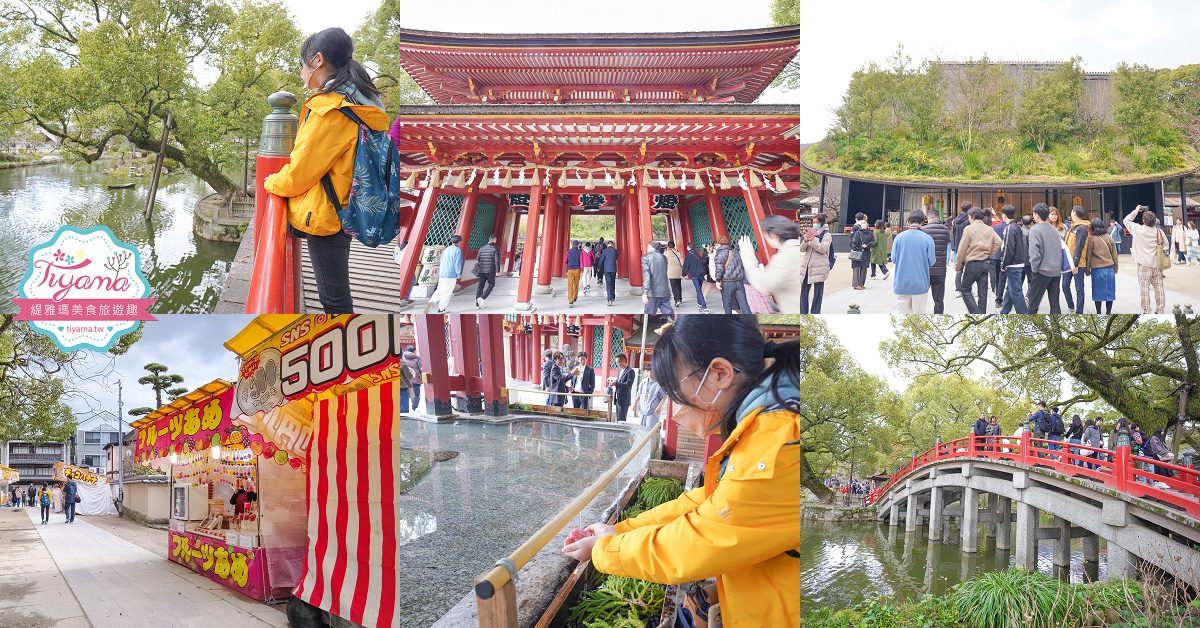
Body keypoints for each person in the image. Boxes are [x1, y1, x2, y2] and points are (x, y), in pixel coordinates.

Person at [562, 315, 802, 627]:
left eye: (676, 396)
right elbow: (708, 501)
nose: (672, 411)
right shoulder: (767, 424)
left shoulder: (778, 442)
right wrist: (620, 531)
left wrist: (604, 549)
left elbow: (698, 542)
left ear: (720, 374)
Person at [262, 27, 390, 314]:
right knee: (336, 293)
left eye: (302, 64)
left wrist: (271, 181)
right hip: (349, 204)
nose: (302, 72)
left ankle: (344, 349)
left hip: (327, 214)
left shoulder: (329, 109)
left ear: (317, 60)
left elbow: (299, 174)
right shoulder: (362, 100)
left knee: (334, 300)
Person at [739, 216, 804, 314]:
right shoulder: (793, 250)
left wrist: (748, 257)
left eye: (765, 234)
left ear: (773, 235)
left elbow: (763, 284)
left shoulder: (786, 256)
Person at [955, 207, 1003, 314]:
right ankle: (980, 313)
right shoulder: (989, 229)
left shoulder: (969, 229)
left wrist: (958, 264)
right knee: (983, 294)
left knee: (965, 289)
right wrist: (989, 254)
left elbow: (962, 248)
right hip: (985, 263)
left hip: (972, 264)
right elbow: (999, 242)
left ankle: (975, 312)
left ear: (972, 217)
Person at [1123, 205, 1167, 314]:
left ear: (1144, 220)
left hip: (1143, 265)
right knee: (1159, 288)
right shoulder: (1159, 232)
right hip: (1157, 264)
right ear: (1155, 221)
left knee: (1144, 289)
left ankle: (1147, 310)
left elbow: (1126, 220)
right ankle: (1160, 310)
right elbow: (1166, 244)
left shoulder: (1138, 229)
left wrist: (1136, 210)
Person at [891, 210, 936, 314]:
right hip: (920, 284)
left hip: (901, 284)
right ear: (923, 222)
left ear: (908, 222)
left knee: (901, 318)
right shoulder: (928, 239)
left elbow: (894, 259)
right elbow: (931, 261)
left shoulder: (899, 237)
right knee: (918, 317)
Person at [1027, 204, 1063, 314]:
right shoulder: (1055, 230)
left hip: (1042, 271)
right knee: (1055, 305)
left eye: (1033, 214)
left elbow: (1034, 254)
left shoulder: (1035, 230)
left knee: (1033, 304)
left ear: (1036, 215)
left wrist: (1034, 269)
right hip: (1056, 271)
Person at [798, 214, 833, 314]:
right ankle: (803, 313)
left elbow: (824, 248)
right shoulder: (811, 232)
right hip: (807, 266)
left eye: (817, 222)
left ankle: (815, 313)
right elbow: (801, 249)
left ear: (822, 222)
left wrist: (813, 240)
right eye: (813, 222)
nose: (815, 224)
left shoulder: (826, 234)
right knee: (804, 292)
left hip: (820, 267)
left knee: (818, 293)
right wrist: (805, 240)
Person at [998, 205, 1028, 314]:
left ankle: (1023, 313)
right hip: (1018, 263)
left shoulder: (1010, 228)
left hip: (1013, 264)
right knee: (1010, 290)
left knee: (1016, 292)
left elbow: (1008, 247)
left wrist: (1003, 264)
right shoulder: (1016, 226)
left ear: (1004, 215)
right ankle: (1005, 310)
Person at [1085, 217, 1118, 314]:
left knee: (1097, 292)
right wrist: (1116, 268)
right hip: (1109, 268)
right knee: (1109, 292)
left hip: (1097, 270)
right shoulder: (1109, 238)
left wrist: (1087, 271)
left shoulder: (1091, 239)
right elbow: (1114, 255)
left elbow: (1088, 256)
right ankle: (1108, 312)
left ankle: (1098, 312)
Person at [921, 210, 952, 314]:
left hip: (925, 270)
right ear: (939, 218)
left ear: (928, 218)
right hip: (940, 270)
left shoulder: (923, 230)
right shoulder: (946, 230)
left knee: (920, 299)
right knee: (939, 300)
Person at [1061, 206, 1090, 314]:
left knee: (1079, 288)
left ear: (1074, 213)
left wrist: (1075, 264)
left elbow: (1079, 246)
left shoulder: (1082, 228)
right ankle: (1071, 305)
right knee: (1064, 285)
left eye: (1072, 211)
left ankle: (1079, 311)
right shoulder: (1071, 227)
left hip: (1078, 264)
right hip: (1068, 262)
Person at [425, 234, 463, 314]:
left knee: (440, 289)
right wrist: (458, 273)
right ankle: (441, 308)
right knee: (447, 291)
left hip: (442, 273)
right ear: (459, 242)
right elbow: (457, 263)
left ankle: (431, 301)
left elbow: (441, 261)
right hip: (451, 273)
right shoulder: (458, 251)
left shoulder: (446, 249)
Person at [713, 236, 749, 314]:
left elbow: (719, 269)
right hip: (739, 281)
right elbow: (741, 266)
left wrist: (718, 280)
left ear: (719, 244)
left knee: (727, 303)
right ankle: (751, 321)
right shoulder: (734, 253)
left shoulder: (719, 254)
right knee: (744, 304)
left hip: (727, 282)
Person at [641, 242, 675, 315]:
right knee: (669, 314)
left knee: (649, 313)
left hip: (653, 292)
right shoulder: (663, 257)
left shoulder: (646, 257)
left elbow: (647, 276)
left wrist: (645, 292)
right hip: (665, 290)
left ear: (649, 246)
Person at [951, 201, 973, 297]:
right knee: (969, 269)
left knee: (959, 269)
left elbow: (953, 234)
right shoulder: (968, 221)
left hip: (958, 247)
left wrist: (954, 246)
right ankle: (967, 289)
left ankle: (958, 289)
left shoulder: (956, 220)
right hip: (967, 248)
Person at [475, 234, 502, 309]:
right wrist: (497, 270)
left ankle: (477, 304)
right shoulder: (495, 248)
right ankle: (482, 297)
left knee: (480, 286)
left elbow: (478, 258)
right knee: (492, 284)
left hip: (482, 269)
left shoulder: (482, 247)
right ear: (494, 240)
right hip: (490, 270)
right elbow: (497, 260)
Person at [682, 243, 710, 313]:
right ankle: (699, 304)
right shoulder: (697, 254)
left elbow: (686, 265)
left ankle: (704, 307)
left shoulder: (688, 255)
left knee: (698, 290)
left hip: (694, 275)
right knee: (699, 289)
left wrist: (683, 274)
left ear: (688, 248)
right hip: (701, 274)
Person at [849, 215, 874, 290]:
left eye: (865, 222)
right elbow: (854, 243)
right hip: (858, 253)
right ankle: (856, 284)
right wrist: (857, 249)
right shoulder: (857, 233)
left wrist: (867, 245)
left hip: (866, 253)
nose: (863, 224)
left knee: (864, 268)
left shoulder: (870, 233)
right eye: (862, 222)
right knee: (857, 268)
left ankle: (861, 283)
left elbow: (873, 241)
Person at [611, 354, 635, 423]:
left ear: (624, 360)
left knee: (622, 420)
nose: (618, 364)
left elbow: (628, 384)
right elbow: (619, 382)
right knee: (618, 419)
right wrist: (613, 383)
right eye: (616, 363)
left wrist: (616, 383)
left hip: (624, 399)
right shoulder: (620, 371)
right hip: (618, 397)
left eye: (618, 362)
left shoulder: (630, 371)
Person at [663, 240, 685, 307]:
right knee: (678, 285)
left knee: (673, 287)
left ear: (668, 246)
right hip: (678, 271)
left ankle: (676, 300)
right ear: (674, 246)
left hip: (670, 272)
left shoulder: (666, 254)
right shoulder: (678, 253)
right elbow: (682, 263)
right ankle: (680, 298)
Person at [599, 242, 619, 306]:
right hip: (613, 269)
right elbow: (616, 258)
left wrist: (599, 267)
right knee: (613, 283)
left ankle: (609, 299)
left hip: (607, 269)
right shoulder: (615, 251)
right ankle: (613, 296)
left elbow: (601, 259)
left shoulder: (605, 251)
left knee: (608, 284)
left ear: (607, 245)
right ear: (612, 245)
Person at [565, 240, 583, 308]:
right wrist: (582, 271)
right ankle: (574, 297)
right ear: (578, 245)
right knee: (576, 284)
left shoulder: (569, 251)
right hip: (577, 270)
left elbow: (565, 260)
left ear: (572, 244)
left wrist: (569, 264)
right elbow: (581, 261)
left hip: (570, 270)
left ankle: (570, 301)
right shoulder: (580, 252)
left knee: (570, 285)